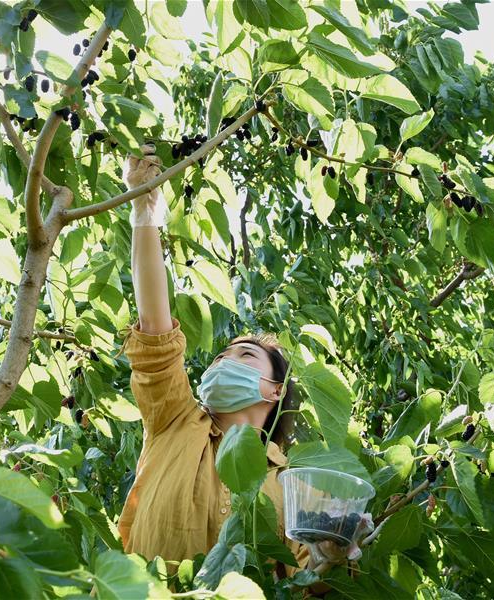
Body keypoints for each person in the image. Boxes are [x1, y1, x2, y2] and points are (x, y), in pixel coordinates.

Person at [116, 145, 340, 584]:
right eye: (221, 355)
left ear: (274, 391)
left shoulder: (293, 487)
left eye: (244, 354)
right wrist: (144, 215)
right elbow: (155, 331)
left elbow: (297, 582)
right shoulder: (174, 421)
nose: (223, 361)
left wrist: (328, 557)